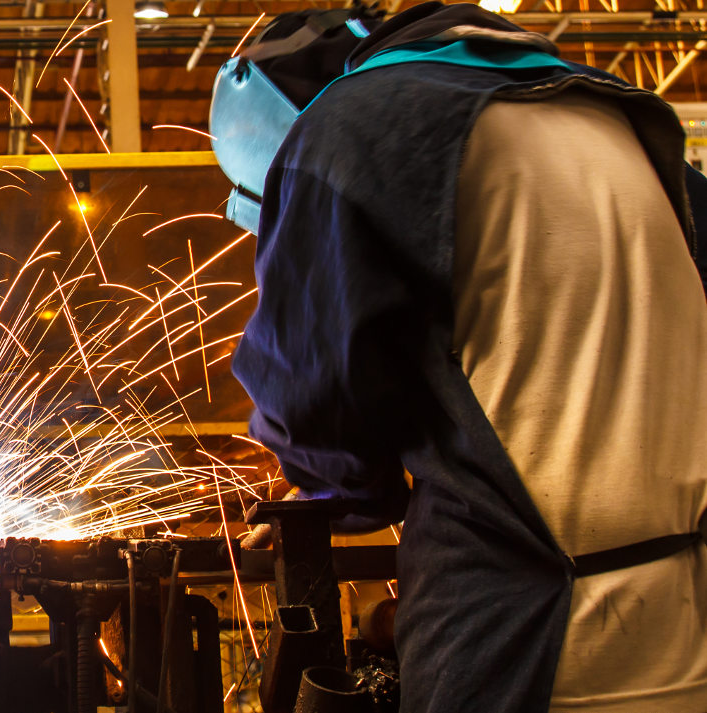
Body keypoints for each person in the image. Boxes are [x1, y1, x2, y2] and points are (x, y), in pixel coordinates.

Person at [210, 3, 707, 712]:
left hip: (527, 646)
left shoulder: (350, 127)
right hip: (689, 627)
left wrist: (331, 492)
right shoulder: (610, 112)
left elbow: (314, 399)